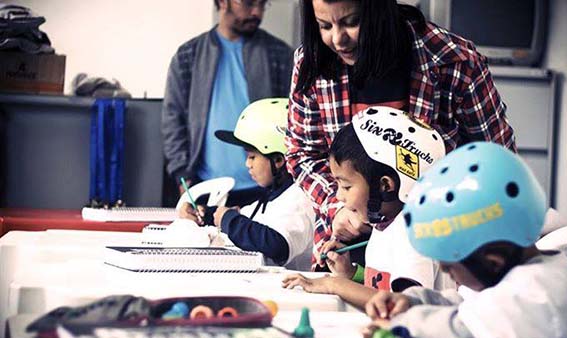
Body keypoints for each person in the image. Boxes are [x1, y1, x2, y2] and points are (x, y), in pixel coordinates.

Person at [285, 0, 516, 267]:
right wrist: (339, 205)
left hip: (434, 251)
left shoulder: (454, 61)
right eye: (324, 25)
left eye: (352, 22)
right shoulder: (311, 62)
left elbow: (498, 161)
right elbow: (302, 153)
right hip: (344, 253)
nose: (338, 40)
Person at [362, 142, 567, 338]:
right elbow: (471, 308)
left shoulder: (535, 295)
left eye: (449, 269)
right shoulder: (527, 273)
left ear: (493, 261)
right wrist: (414, 301)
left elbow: (461, 330)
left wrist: (403, 326)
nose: (445, 272)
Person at [282, 107, 454, 309]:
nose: (338, 196)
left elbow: (402, 305)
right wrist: (350, 274)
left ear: (385, 186)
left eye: (346, 186)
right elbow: (383, 286)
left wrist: (334, 284)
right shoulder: (389, 223)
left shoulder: (413, 235)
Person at [162, 0, 293, 207]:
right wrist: (183, 175)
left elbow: (294, 118)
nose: (257, 12)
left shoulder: (280, 55)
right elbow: (173, 119)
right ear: (223, 2)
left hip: (266, 190)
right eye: (249, 3)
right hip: (205, 188)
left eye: (262, 5)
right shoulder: (188, 55)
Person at [179, 98, 315, 271]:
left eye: (252, 157)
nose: (247, 164)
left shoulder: (300, 198)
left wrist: (229, 219)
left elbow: (278, 245)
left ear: (279, 160)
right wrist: (204, 213)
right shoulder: (272, 197)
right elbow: (246, 218)